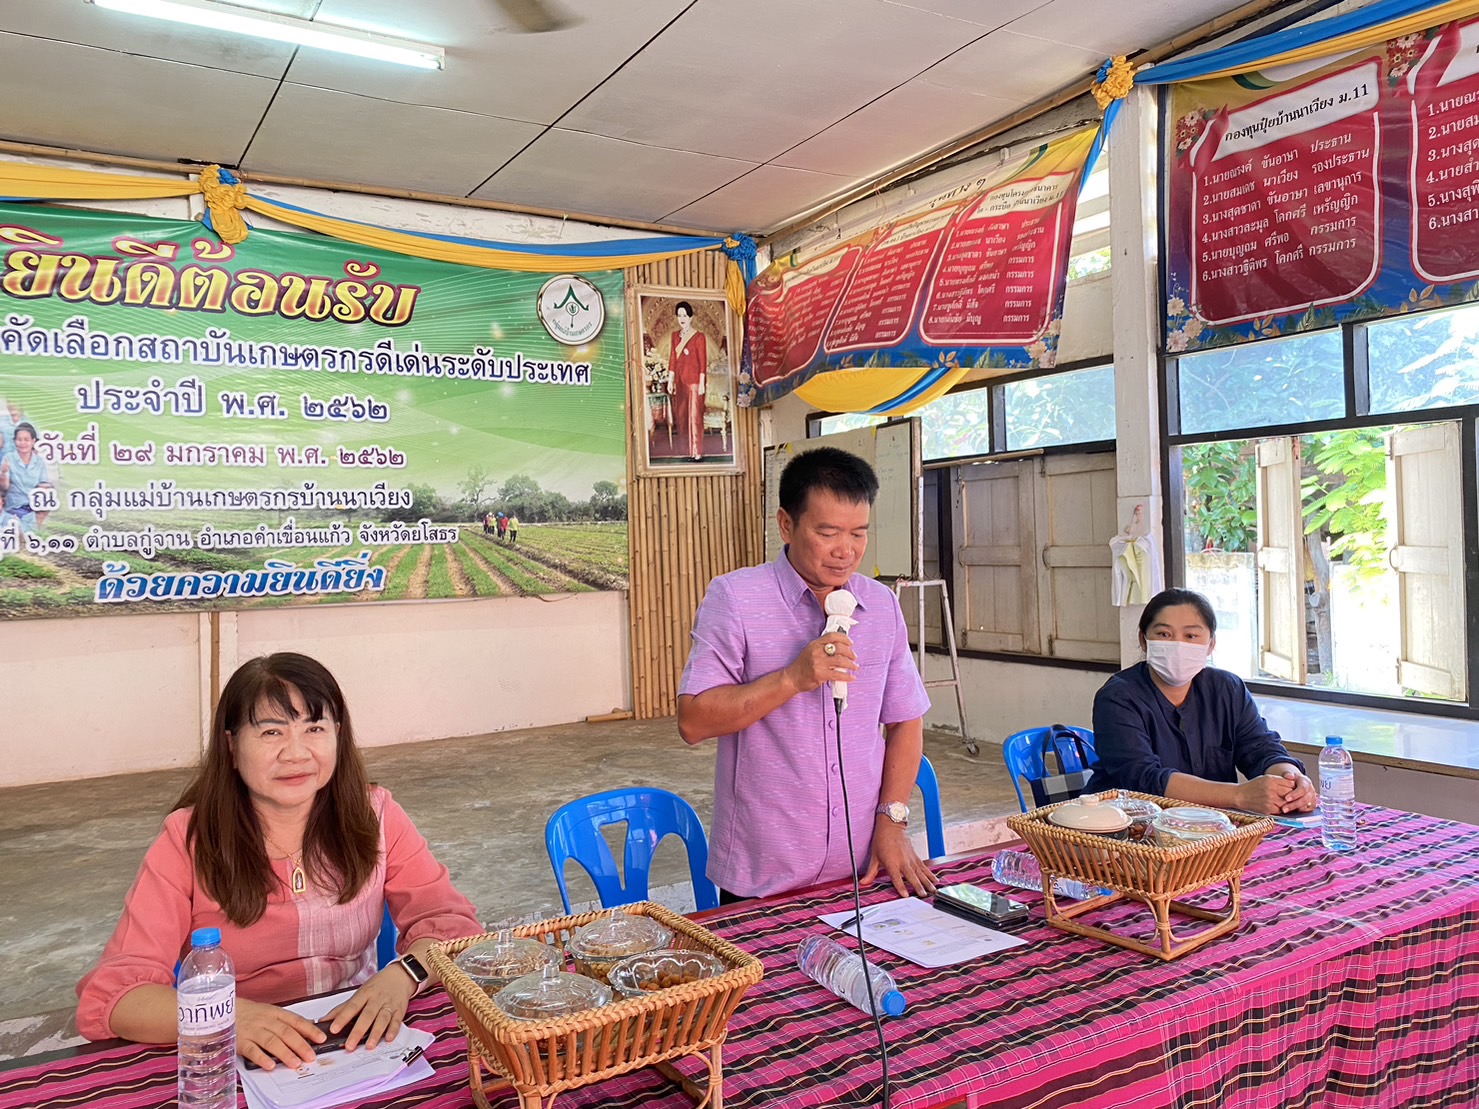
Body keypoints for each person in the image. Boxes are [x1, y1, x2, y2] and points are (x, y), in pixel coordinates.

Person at [76, 653, 482, 1070]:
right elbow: (117, 997)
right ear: (231, 745)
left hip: (356, 1043)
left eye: (315, 728)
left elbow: (452, 926)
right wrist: (233, 1018)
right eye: (272, 732)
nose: (296, 753)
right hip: (240, 1053)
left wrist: (405, 975)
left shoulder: (375, 815)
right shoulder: (189, 839)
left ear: (337, 736)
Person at [677, 447, 935, 901]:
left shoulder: (881, 605)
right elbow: (694, 721)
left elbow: (905, 720)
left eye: (859, 534)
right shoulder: (737, 599)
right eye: (827, 532)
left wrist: (892, 820)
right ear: (786, 524)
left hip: (865, 863)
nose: (846, 551)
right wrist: (791, 679)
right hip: (767, 872)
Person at [1090, 588, 1317, 815]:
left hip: (1211, 830)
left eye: (1190, 636)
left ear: (1210, 644)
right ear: (1144, 640)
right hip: (1127, 830)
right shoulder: (1118, 698)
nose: (1177, 645)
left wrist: (1291, 781)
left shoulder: (1227, 689)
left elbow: (1261, 748)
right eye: (1164, 634)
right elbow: (1144, 779)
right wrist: (1239, 795)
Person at [666, 301, 708, 461]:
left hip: (695, 383)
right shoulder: (674, 336)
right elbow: (672, 359)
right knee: (682, 416)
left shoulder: (699, 337)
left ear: (691, 317)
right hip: (680, 382)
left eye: (685, 315)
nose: (682, 318)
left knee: (694, 417)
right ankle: (685, 451)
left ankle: (697, 452)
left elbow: (702, 361)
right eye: (679, 315)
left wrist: (702, 383)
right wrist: (670, 381)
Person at [0, 422, 52, 532]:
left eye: (26, 439)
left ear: (33, 441)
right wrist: (4, 473)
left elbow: (44, 484)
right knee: (20, 532)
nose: (22, 443)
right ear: (15, 441)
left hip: (34, 506)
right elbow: (4, 487)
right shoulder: (8, 458)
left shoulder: (39, 462)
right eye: (19, 439)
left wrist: (44, 489)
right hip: (15, 505)